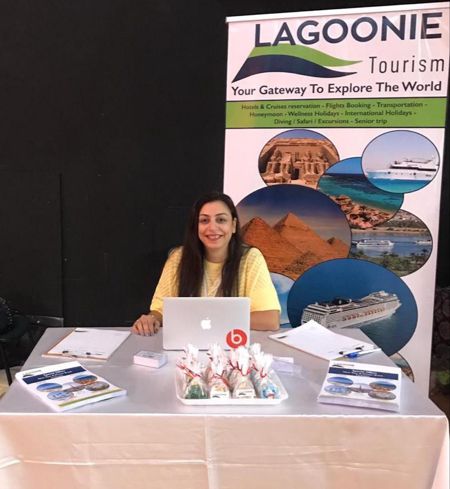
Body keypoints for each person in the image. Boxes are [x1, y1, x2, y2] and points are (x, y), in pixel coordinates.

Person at [132, 191, 280, 336]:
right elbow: (160, 311)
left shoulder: (250, 259)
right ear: (196, 226)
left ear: (233, 225)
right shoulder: (178, 258)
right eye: (204, 220)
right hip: (186, 346)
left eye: (221, 220)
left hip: (233, 347)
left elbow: (270, 320)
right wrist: (150, 320)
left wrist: (209, 319)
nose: (212, 228)